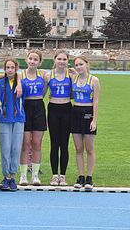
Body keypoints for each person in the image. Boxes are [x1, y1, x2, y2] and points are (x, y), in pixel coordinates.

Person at [45, 50, 76, 186]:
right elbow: (41, 94)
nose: (62, 62)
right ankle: (54, 176)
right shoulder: (48, 75)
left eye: (64, 59)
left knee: (64, 144)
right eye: (59, 59)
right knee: (54, 143)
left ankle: (62, 176)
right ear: (55, 60)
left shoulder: (71, 75)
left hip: (67, 109)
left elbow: (77, 92)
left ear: (67, 61)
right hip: (53, 109)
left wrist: (75, 77)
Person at [0, 59, 25, 192]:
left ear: (16, 68)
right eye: (7, 67)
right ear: (4, 69)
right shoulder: (0, 83)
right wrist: (1, 114)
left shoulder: (22, 84)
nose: (10, 70)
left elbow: (25, 100)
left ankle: (13, 177)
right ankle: (5, 176)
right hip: (5, 119)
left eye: (12, 67)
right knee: (5, 149)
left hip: (18, 119)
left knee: (16, 148)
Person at [71, 56, 101, 190]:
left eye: (81, 64)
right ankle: (81, 176)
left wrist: (94, 120)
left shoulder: (94, 80)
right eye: (76, 65)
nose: (78, 67)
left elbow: (95, 101)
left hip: (88, 112)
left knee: (89, 148)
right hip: (75, 112)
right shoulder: (74, 78)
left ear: (87, 64)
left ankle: (89, 177)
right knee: (78, 148)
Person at [19, 50, 47, 186]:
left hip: (39, 108)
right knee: (25, 144)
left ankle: (35, 176)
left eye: (35, 59)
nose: (32, 61)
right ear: (26, 60)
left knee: (36, 143)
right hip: (25, 108)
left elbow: (45, 90)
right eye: (30, 59)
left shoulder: (43, 75)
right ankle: (23, 176)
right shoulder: (20, 75)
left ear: (40, 62)